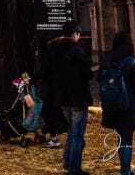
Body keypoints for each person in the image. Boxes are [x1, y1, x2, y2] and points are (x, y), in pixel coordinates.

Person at [41, 21, 92, 175]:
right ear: (75, 34)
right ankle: (74, 168)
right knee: (77, 134)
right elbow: (87, 74)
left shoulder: (54, 51)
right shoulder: (76, 51)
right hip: (77, 97)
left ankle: (68, 162)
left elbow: (48, 73)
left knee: (72, 131)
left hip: (62, 98)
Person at [99, 31, 135, 175]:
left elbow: (99, 77)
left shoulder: (107, 58)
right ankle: (126, 171)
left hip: (111, 103)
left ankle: (125, 169)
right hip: (128, 104)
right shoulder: (131, 61)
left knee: (120, 137)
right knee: (126, 139)